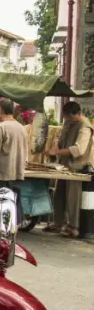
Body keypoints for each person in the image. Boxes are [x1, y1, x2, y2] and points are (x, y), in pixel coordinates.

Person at [46, 101, 94, 238]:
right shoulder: (68, 121)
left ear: (78, 114)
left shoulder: (85, 126)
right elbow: (61, 137)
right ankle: (58, 223)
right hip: (64, 165)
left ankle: (73, 226)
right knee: (59, 194)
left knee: (73, 197)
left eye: (70, 118)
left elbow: (79, 149)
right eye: (66, 117)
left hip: (77, 167)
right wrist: (56, 143)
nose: (68, 120)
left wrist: (57, 152)